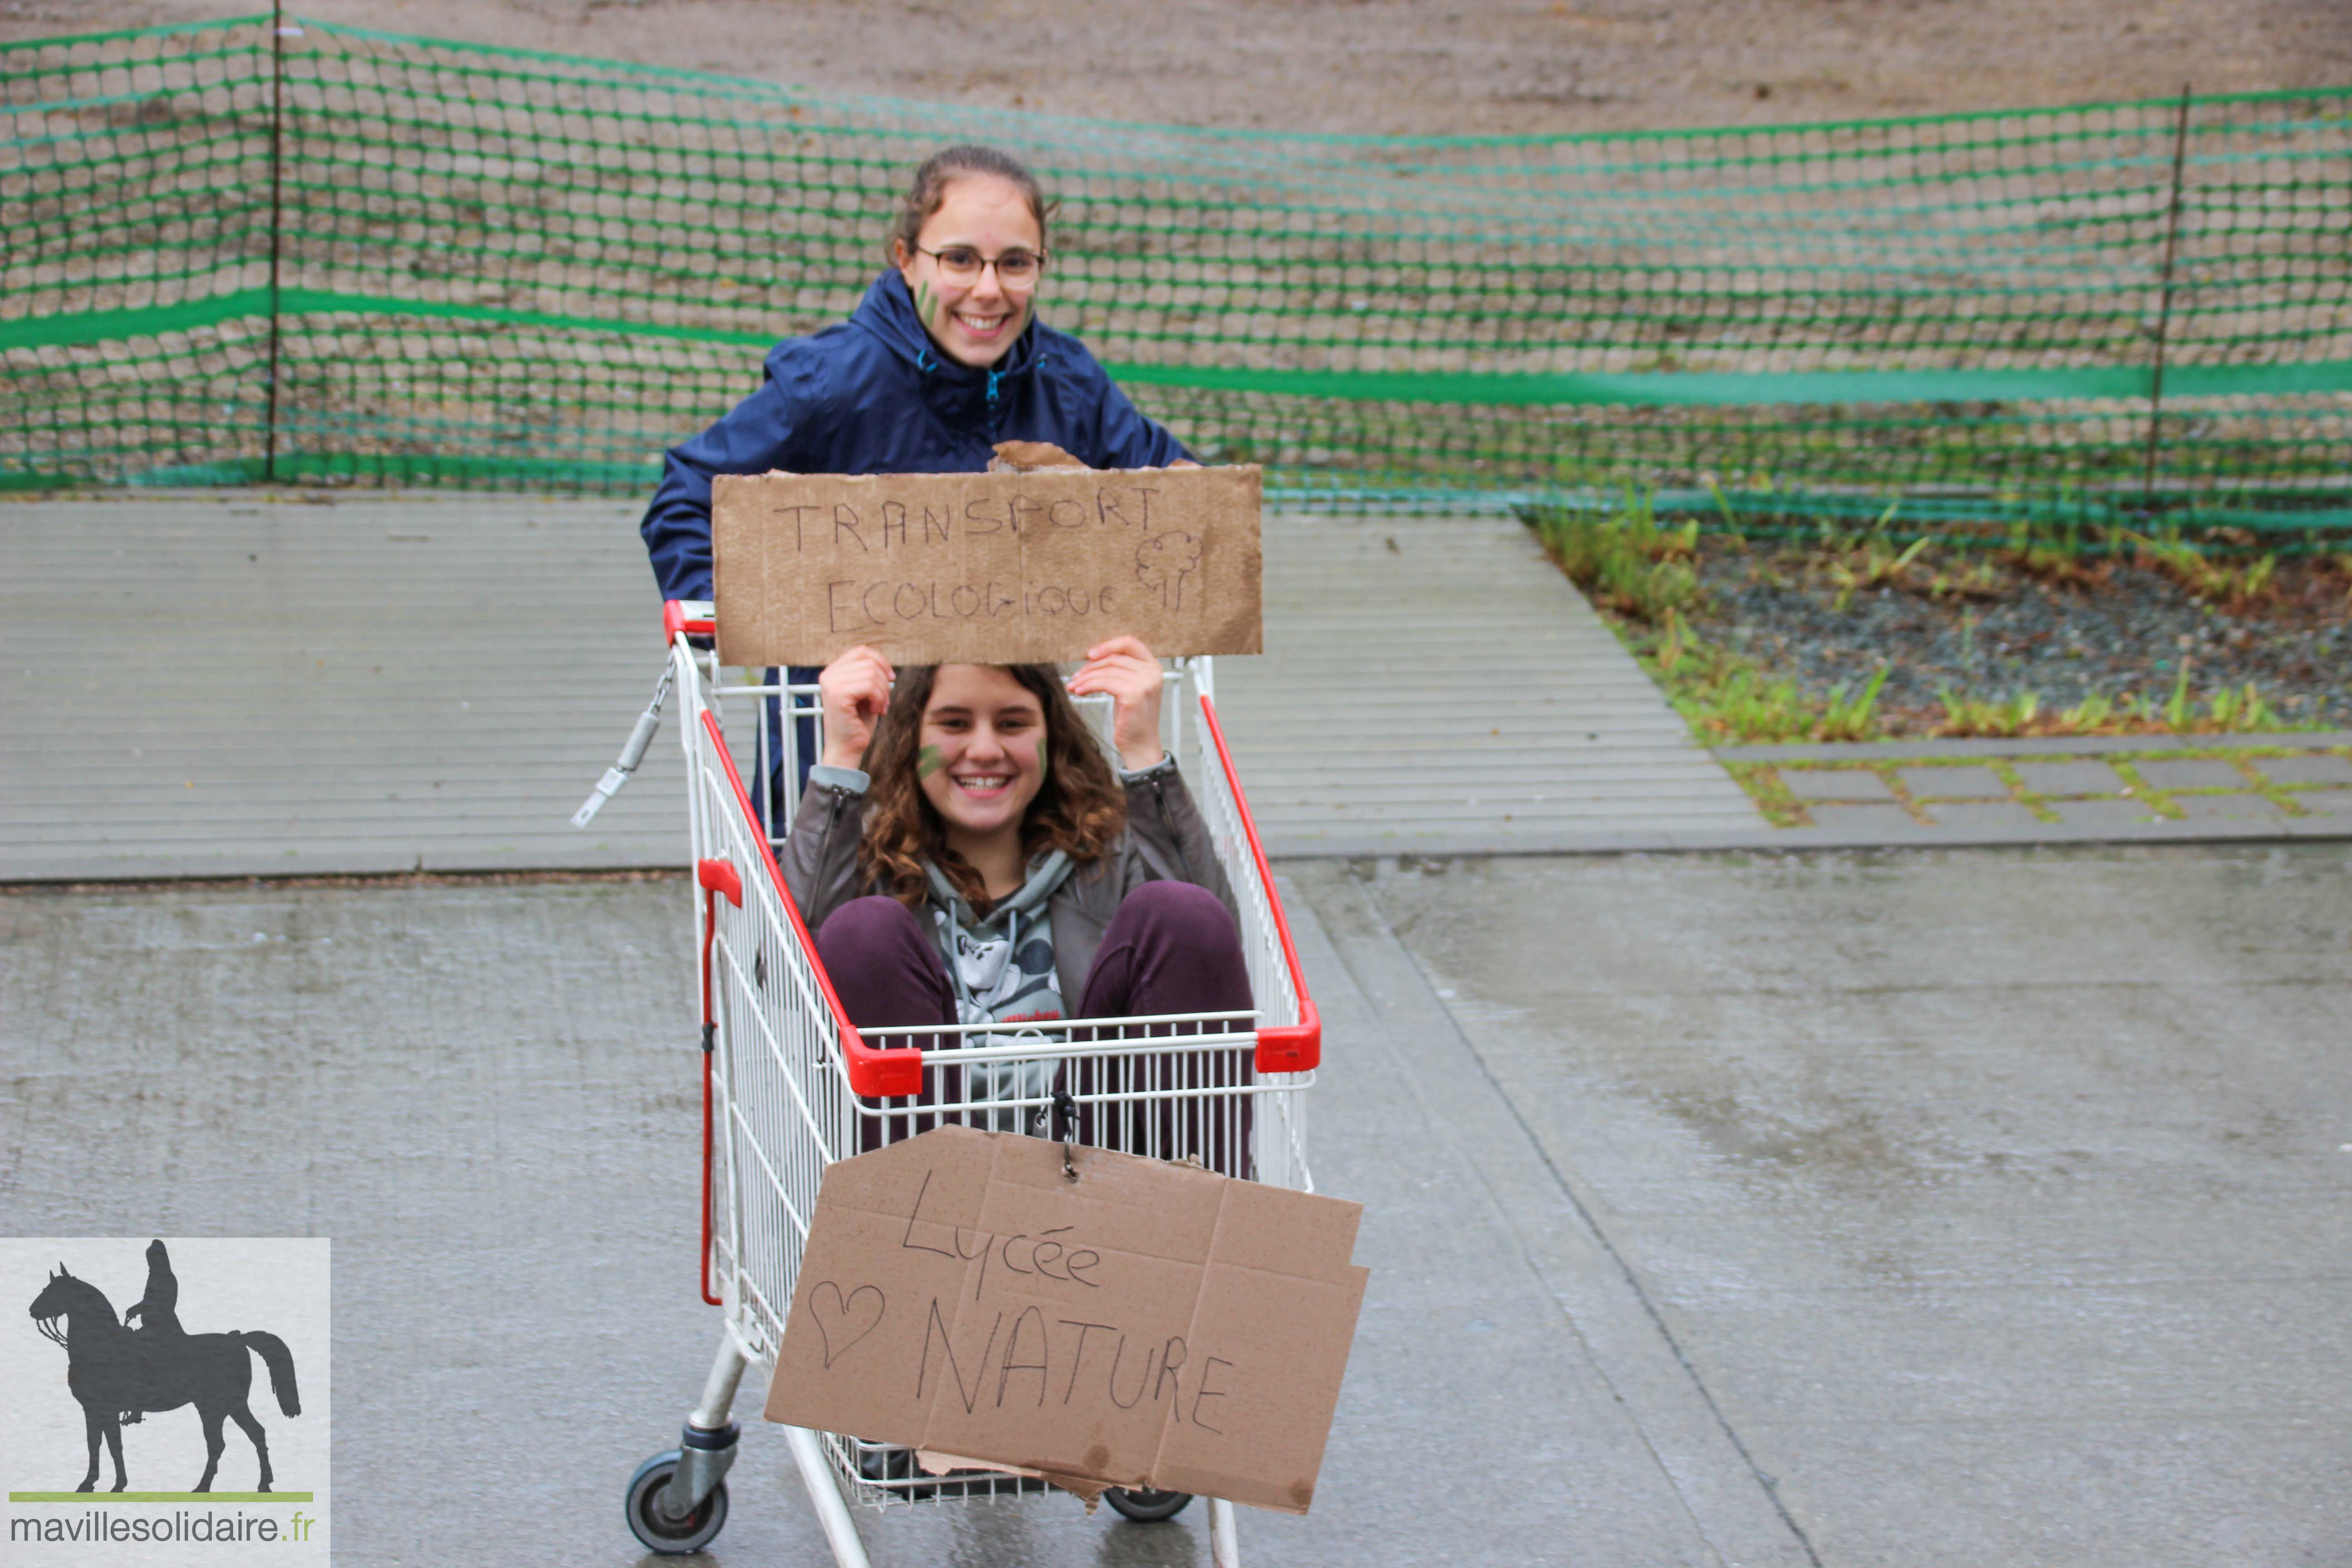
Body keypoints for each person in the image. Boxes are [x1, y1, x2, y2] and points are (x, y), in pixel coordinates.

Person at [637, 144, 1195, 804]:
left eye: (1016, 263)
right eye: (959, 259)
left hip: (1002, 766)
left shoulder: (1068, 384)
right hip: (845, 754)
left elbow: (1180, 497)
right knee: (842, 903)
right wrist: (733, 611)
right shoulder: (830, 384)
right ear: (905, 259)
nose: (988, 289)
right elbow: (687, 499)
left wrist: (1182, 523)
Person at [785, 634, 1252, 1172]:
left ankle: (1208, 1228)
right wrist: (842, 760)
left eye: (1012, 724)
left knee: (1180, 912)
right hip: (925, 1190)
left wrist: (1145, 753)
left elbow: (1212, 959)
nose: (984, 749)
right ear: (912, 741)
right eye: (954, 724)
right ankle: (899, 1233)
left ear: (1053, 739)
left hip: (1095, 1168)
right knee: (864, 930)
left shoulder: (1109, 858)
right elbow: (785, 976)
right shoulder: (867, 867)